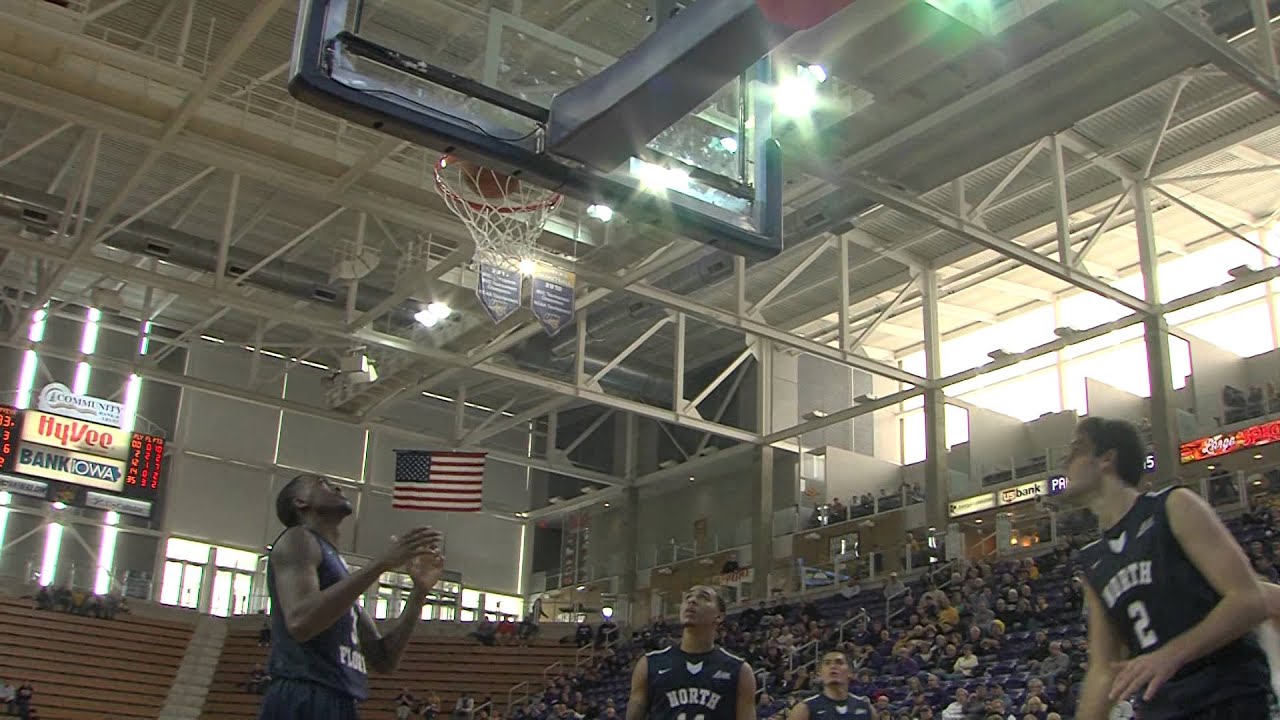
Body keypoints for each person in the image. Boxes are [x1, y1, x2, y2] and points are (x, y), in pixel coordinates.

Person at [1065, 417, 1272, 719]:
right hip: (1163, 707)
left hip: (1225, 696)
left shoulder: (1174, 506)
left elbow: (1250, 600)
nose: (1066, 462)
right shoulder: (1093, 560)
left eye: (1076, 449)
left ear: (1107, 458)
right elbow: (1103, 670)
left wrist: (1170, 655)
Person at [258, 473, 446, 720]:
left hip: (341, 699)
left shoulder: (339, 573)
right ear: (300, 502)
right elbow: (301, 622)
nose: (336, 486)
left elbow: (384, 659)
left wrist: (419, 593)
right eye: (321, 484)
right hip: (304, 693)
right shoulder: (298, 538)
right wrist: (381, 564)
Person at [626, 585, 755, 720]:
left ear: (719, 616)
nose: (692, 601)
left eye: (703, 597)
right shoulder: (649, 664)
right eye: (688, 597)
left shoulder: (739, 670)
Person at [786, 650, 872, 720]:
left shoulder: (865, 707)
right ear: (820, 673)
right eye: (827, 663)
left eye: (839, 662)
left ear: (850, 672)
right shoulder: (805, 708)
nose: (833, 666)